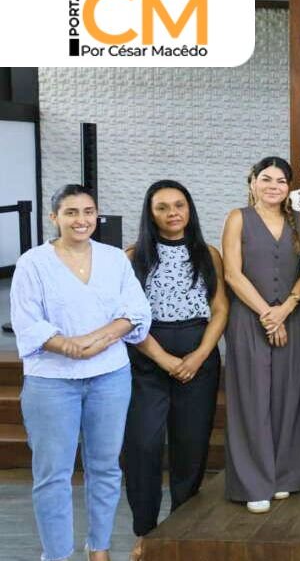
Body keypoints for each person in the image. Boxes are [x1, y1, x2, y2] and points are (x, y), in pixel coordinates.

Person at [11, 184, 152, 561]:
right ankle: (56, 554)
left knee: (105, 468)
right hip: (51, 382)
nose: (81, 219)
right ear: (54, 217)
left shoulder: (114, 259)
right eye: (71, 212)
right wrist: (69, 346)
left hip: (110, 376)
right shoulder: (33, 262)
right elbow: (27, 321)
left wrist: (95, 340)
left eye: (88, 211)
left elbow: (136, 310)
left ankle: (99, 548)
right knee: (53, 475)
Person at [123, 181, 228, 559]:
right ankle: (145, 531)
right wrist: (163, 358)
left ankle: (181, 529)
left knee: (191, 447)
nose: (172, 213)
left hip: (199, 358)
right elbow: (127, 316)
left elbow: (220, 309)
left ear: (189, 209)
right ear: (150, 214)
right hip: (147, 359)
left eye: (179, 205)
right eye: (162, 207)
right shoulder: (132, 256)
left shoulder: (208, 254)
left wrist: (200, 355)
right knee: (143, 445)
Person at [222, 157, 300, 514]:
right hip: (249, 319)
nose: (274, 186)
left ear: (289, 187)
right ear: (253, 182)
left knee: (289, 396)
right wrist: (267, 315)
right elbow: (232, 273)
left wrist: (285, 309)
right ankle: (253, 483)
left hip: (293, 318)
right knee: (251, 398)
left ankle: (285, 475)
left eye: (281, 181)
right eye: (266, 179)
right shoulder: (237, 218)